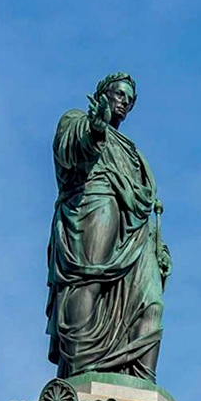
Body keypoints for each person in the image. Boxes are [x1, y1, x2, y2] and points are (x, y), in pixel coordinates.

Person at [47, 72, 173, 381]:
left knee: (152, 303)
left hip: (138, 233)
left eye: (129, 100)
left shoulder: (132, 149)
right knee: (90, 280)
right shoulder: (75, 119)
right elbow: (71, 150)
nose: (124, 103)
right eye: (120, 94)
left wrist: (159, 245)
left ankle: (142, 382)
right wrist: (94, 130)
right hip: (95, 208)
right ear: (102, 93)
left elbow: (145, 201)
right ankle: (80, 370)